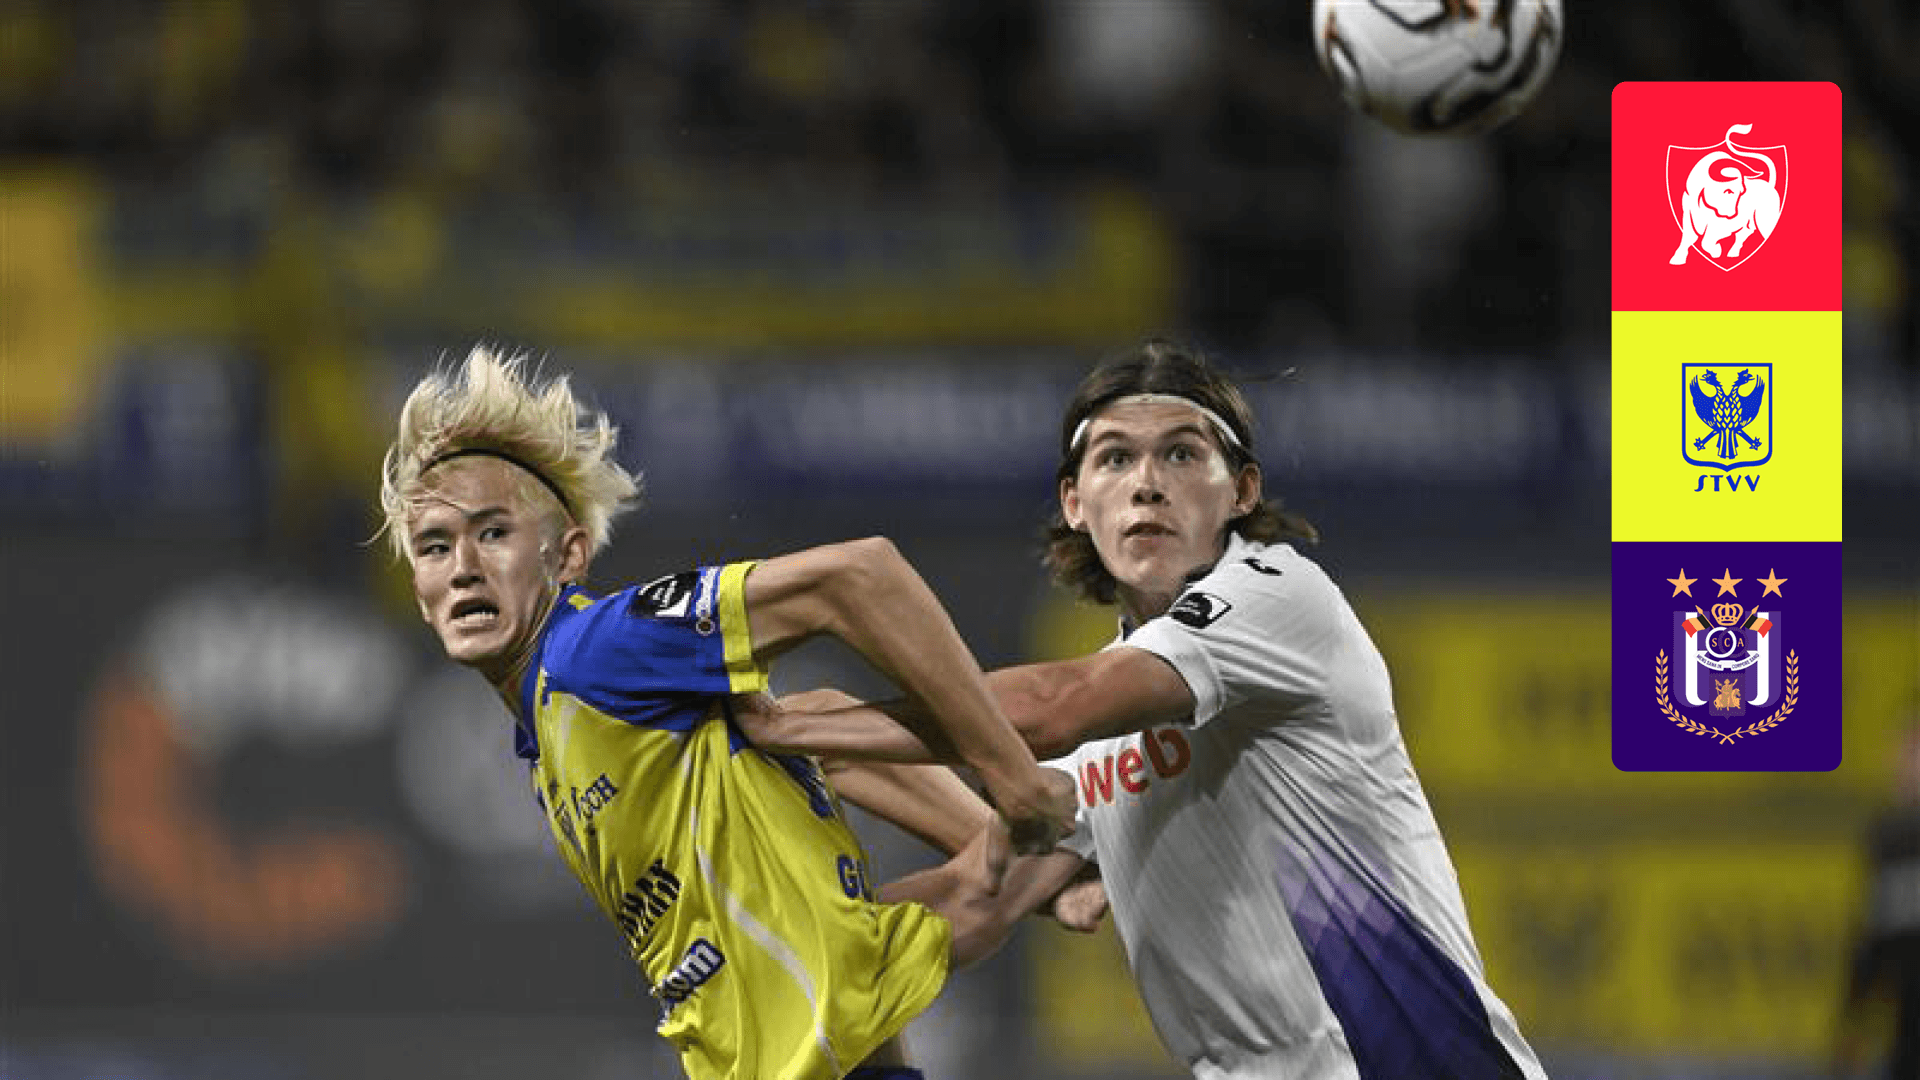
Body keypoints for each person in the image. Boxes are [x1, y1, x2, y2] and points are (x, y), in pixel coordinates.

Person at [743, 338, 1550, 1079]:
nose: (1148, 482)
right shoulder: (1098, 743)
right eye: (1115, 458)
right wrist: (775, 937)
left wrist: (798, 727)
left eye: (1182, 453)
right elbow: (975, 900)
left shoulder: (1279, 597)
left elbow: (1056, 705)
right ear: (1074, 501)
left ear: (1242, 491)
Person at [377, 345, 1082, 1080]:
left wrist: (1015, 780)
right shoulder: (554, 732)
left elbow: (860, 576)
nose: (464, 567)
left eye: (493, 533)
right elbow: (819, 733)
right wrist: (1029, 861)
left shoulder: (594, 651)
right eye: (435, 547)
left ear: (569, 556)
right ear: (418, 592)